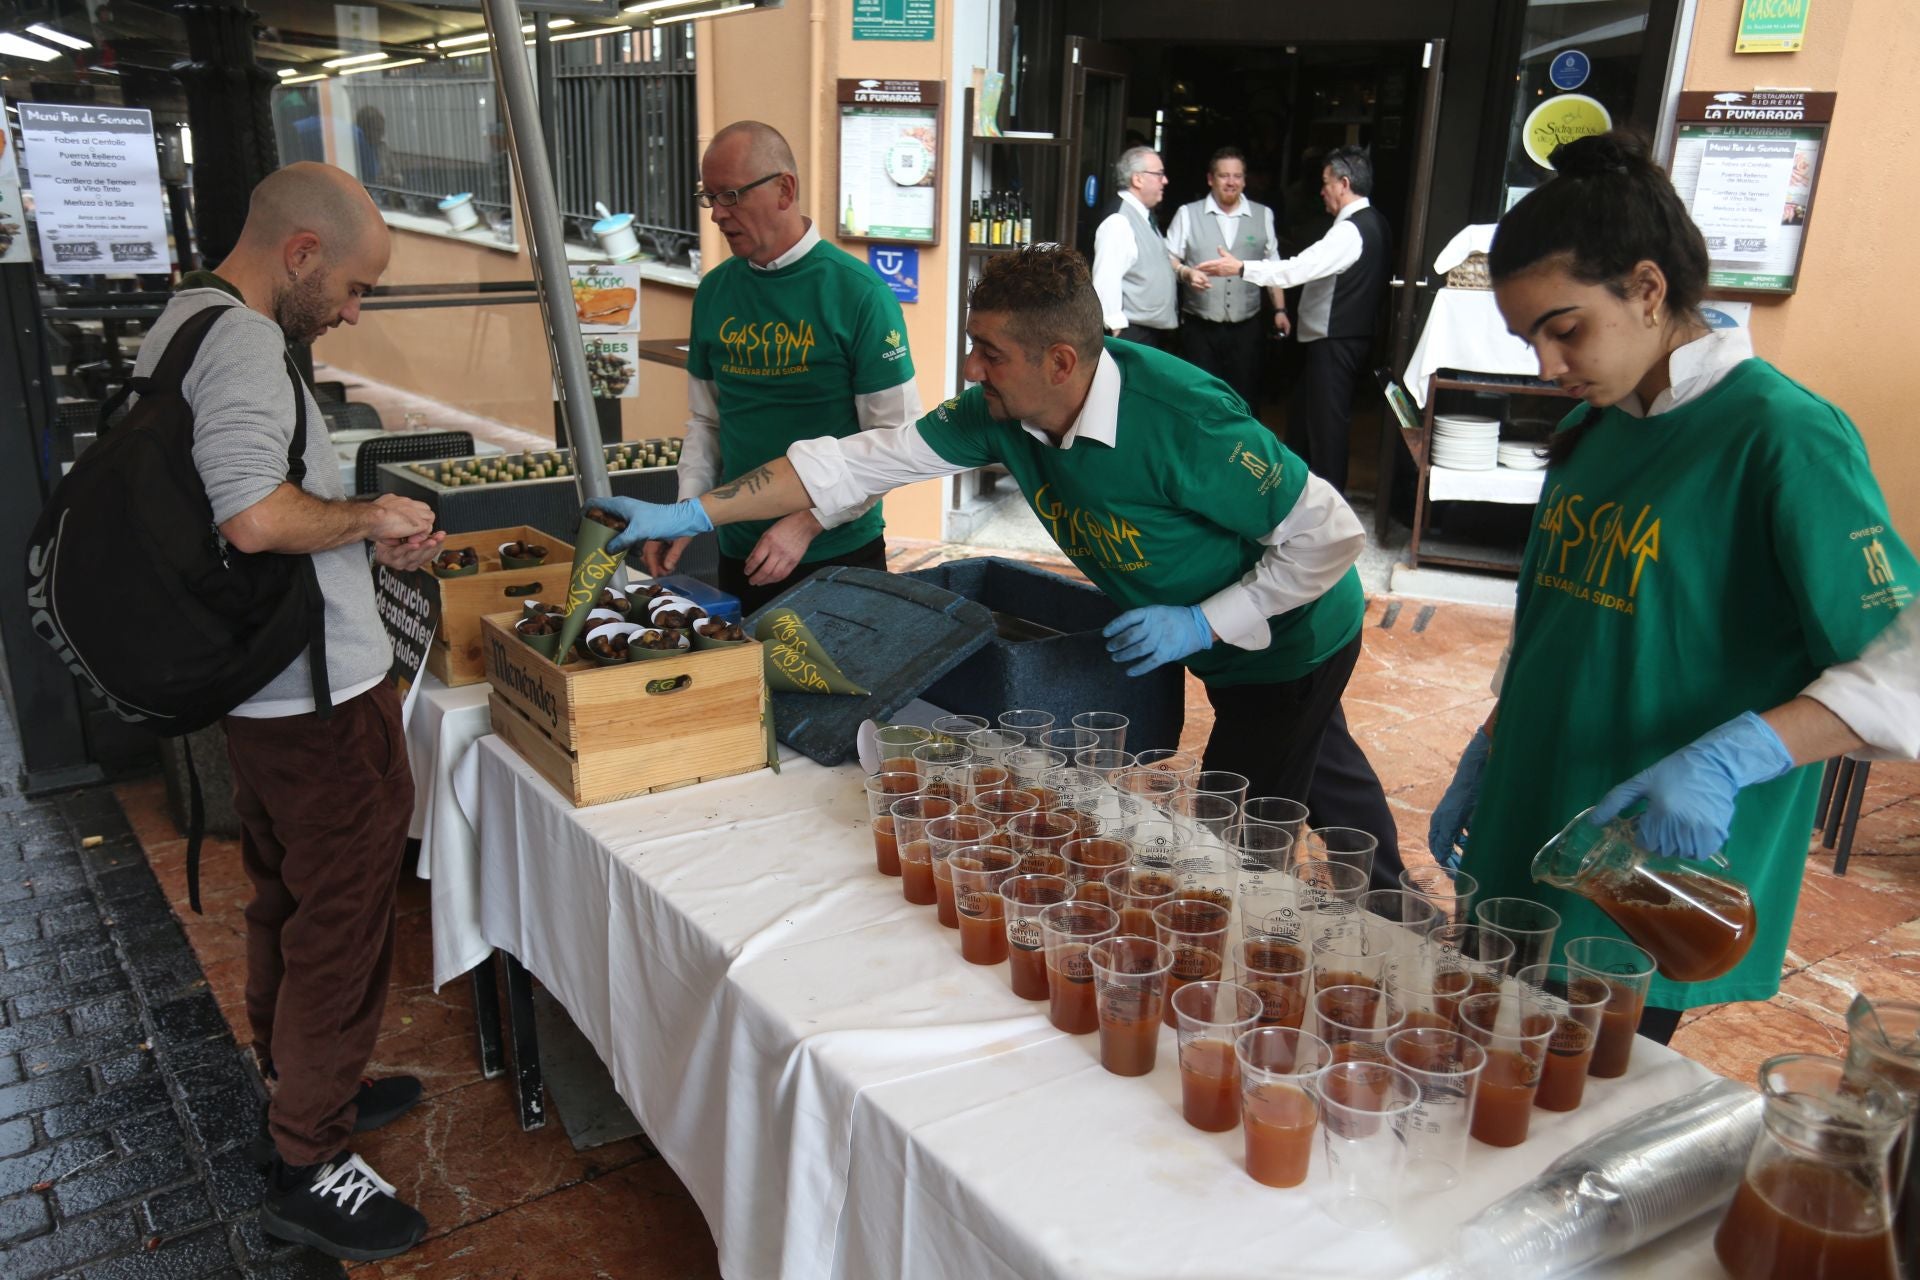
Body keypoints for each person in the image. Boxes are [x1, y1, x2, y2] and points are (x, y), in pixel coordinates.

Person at [589, 246, 1406, 887]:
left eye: (989, 353)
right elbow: (860, 462)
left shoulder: (1186, 421)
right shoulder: (998, 416)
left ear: (1059, 361)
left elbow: (1330, 536)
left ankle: (1247, 958)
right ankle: (1393, 900)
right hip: (1221, 641)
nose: (972, 370)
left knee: (1235, 832)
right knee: (1320, 762)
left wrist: (1203, 620)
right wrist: (696, 513)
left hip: (1292, 637)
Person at [1425, 132, 1916, 1046]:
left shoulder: (1780, 436)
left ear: (1648, 290)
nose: (1546, 365)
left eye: (1564, 329)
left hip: (1644, 859)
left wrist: (1734, 756)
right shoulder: (1596, 426)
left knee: (1573, 1101)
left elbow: (1905, 666)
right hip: (1536, 813)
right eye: (1529, 338)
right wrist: (1496, 741)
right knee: (1479, 1065)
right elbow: (1564, 624)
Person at [148, 161, 442, 1260]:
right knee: (344, 918)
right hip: (315, 696)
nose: (355, 309)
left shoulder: (184, 317)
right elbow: (256, 517)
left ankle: (302, 1080)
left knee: (288, 896)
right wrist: (367, 515)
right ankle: (309, 1152)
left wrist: (358, 525)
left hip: (263, 691)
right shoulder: (242, 342)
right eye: (355, 286)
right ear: (302, 253)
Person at [645, 120, 922, 615]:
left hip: (837, 556)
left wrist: (810, 520)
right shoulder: (714, 291)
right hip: (737, 555)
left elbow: (896, 444)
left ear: (784, 189)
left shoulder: (860, 294)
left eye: (730, 196)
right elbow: (708, 421)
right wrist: (687, 512)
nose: (717, 216)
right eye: (710, 198)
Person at [1196, 146, 1390, 494]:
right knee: (1307, 419)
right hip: (1339, 338)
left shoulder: (1350, 230)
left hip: (1336, 339)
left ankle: (1328, 506)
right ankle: (1299, 496)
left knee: (1327, 426)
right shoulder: (1374, 222)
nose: (1321, 190)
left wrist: (1240, 267)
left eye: (1326, 182)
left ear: (1344, 184)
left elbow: (1298, 268)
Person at [1165, 147, 1285, 412]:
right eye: (1224, 176)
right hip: (1200, 324)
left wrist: (1280, 310)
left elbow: (1273, 267)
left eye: (1237, 176)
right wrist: (1187, 273)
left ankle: (1240, 450)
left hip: (1247, 325)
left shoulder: (1263, 215)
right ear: (1211, 179)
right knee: (1200, 396)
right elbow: (1169, 258)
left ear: (1244, 179)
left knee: (1245, 395)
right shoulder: (1188, 213)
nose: (1231, 182)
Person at [1090, 146, 1205, 351]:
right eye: (1159, 174)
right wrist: (1115, 326)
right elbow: (1106, 277)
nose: (1165, 181)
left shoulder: (1143, 215)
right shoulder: (1119, 220)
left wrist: (1184, 273)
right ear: (1138, 179)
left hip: (1145, 331)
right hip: (1131, 333)